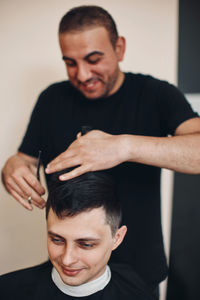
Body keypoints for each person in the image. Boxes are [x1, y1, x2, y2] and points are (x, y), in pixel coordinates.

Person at [2, 4, 200, 291]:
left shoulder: (156, 95)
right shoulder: (51, 99)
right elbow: (24, 161)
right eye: (70, 62)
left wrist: (125, 147)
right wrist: (12, 168)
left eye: (94, 59)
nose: (82, 74)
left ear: (119, 48)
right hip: (70, 268)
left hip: (138, 271)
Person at [0, 170, 156, 300]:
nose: (67, 260)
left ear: (117, 238)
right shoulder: (8, 291)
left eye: (86, 244)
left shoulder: (139, 293)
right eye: (57, 240)